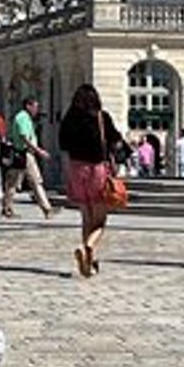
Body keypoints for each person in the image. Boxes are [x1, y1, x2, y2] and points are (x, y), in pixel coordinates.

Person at [58, 84, 124, 279]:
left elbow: (63, 143)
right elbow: (116, 140)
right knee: (100, 220)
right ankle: (88, 246)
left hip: (76, 169)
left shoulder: (70, 118)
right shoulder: (101, 118)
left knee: (86, 217)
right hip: (97, 170)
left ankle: (89, 263)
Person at [0, 96, 54, 219]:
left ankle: (46, 208)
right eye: (35, 106)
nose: (36, 109)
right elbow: (24, 137)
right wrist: (39, 151)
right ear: (28, 106)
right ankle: (8, 208)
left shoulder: (25, 118)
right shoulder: (23, 118)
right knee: (23, 182)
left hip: (24, 154)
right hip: (23, 154)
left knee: (30, 181)